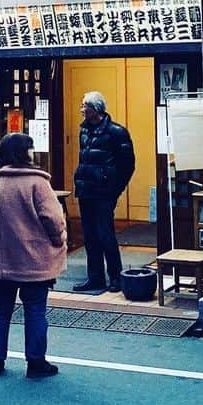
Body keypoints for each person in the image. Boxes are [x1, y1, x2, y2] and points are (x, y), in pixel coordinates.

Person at [0, 133, 66, 379]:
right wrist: (58, 241)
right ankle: (35, 363)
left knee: (0, 309)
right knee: (35, 310)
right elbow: (53, 220)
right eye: (31, 148)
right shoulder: (36, 182)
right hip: (32, 259)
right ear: (24, 153)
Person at [72, 91, 135, 293]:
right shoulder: (84, 131)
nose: (82, 110)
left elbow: (127, 165)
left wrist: (114, 190)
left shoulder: (117, 132)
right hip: (85, 190)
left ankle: (115, 277)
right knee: (89, 237)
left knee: (105, 235)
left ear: (95, 109)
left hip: (103, 193)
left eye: (85, 106)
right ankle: (95, 278)